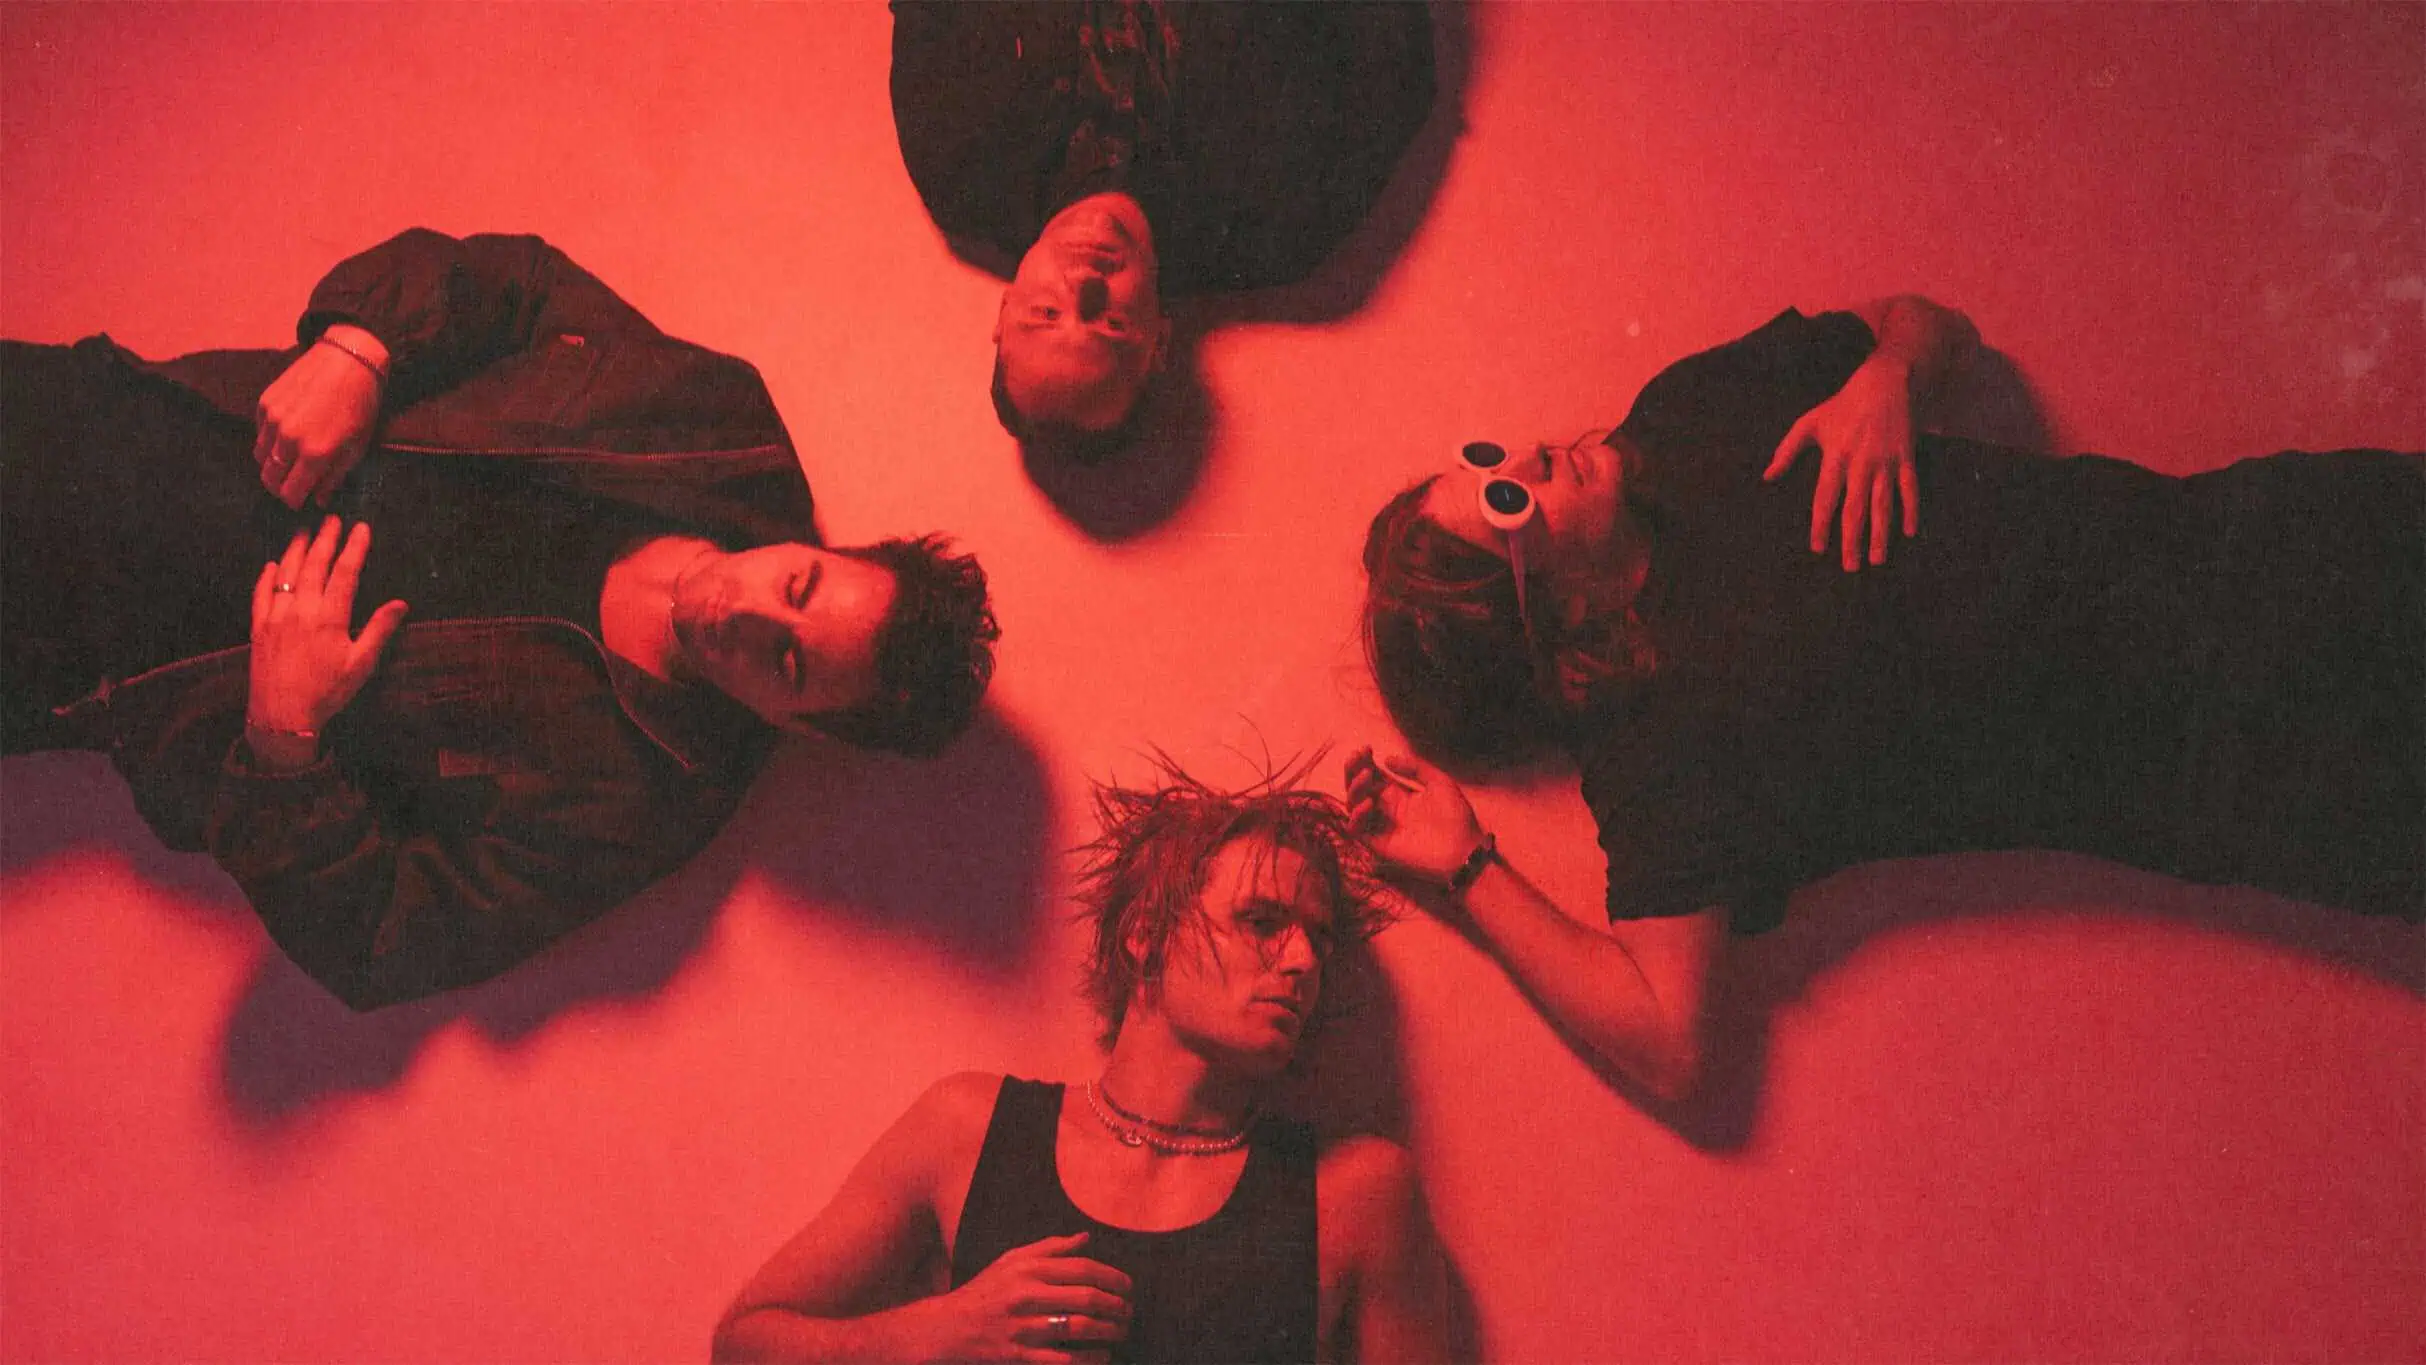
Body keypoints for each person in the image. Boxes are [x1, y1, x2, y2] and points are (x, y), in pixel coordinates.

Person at [1348, 297, 2423, 1106]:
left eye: (1488, 459)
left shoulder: (1685, 412)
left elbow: (1933, 321)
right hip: (2263, 765)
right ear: (1540, 624)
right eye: (1507, 499)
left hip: (2280, 536)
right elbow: (1669, 1042)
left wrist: (1888, 376)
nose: (1531, 454)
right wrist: (1468, 868)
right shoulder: (1661, 746)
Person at [2, 228, 1000, 1011]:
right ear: (830, 550)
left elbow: (384, 940)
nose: (743, 611)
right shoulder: (718, 423)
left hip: (84, 654)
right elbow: (516, 282)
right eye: (798, 587)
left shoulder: (639, 804)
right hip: (114, 424)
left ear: (801, 727)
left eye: (786, 665)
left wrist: (284, 740)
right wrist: (364, 348)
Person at [713, 764, 1451, 1364]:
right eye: (1261, 921)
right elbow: (744, 1342)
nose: (1302, 962)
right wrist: (935, 1333)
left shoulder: (1355, 1193)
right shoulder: (970, 1127)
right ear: (1146, 933)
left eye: (1319, 940)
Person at [890, 0, 1437, 462]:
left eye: (1046, 313)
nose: (1084, 283)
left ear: (1005, 309)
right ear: (1160, 343)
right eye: (1111, 324)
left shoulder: (957, 166)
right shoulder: (1284, 223)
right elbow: (1397, 59)